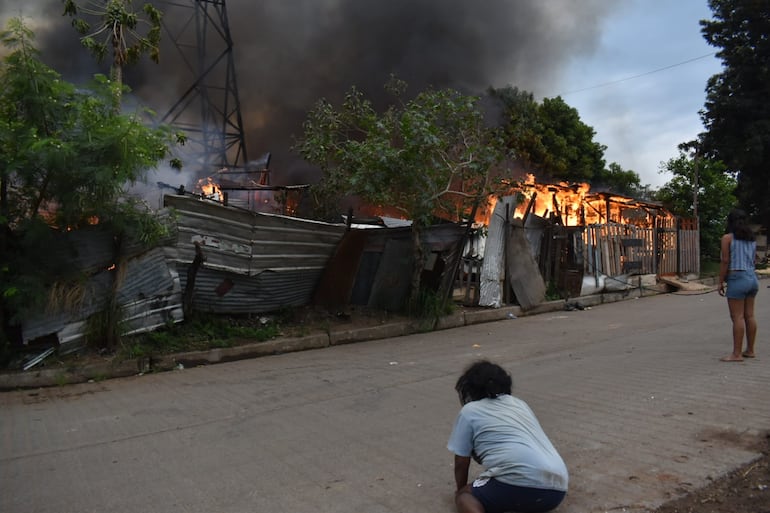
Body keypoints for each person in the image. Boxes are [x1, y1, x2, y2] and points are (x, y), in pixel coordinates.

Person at [447, 360, 568, 513]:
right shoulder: (519, 404)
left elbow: (461, 461)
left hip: (518, 484)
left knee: (465, 497)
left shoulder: (469, 411)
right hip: (556, 490)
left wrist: (461, 490)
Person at [718, 208, 759, 362]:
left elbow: (725, 261)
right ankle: (750, 350)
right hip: (752, 278)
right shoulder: (751, 239)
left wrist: (720, 281)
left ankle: (736, 354)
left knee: (737, 317)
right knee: (750, 315)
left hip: (737, 278)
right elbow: (754, 260)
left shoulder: (727, 238)